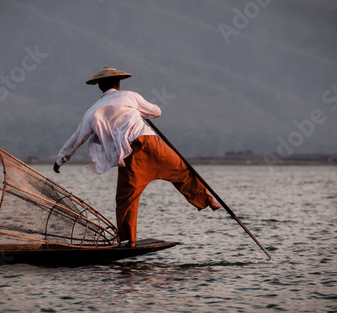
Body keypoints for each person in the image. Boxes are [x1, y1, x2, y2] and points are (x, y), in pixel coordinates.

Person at [54, 66, 220, 248]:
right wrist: (142, 110)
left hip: (130, 155)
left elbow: (77, 139)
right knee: (183, 170)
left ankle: (129, 240)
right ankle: (209, 201)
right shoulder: (130, 96)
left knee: (126, 199)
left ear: (99, 86)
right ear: (118, 83)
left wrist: (60, 159)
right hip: (151, 144)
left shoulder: (92, 111)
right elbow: (156, 112)